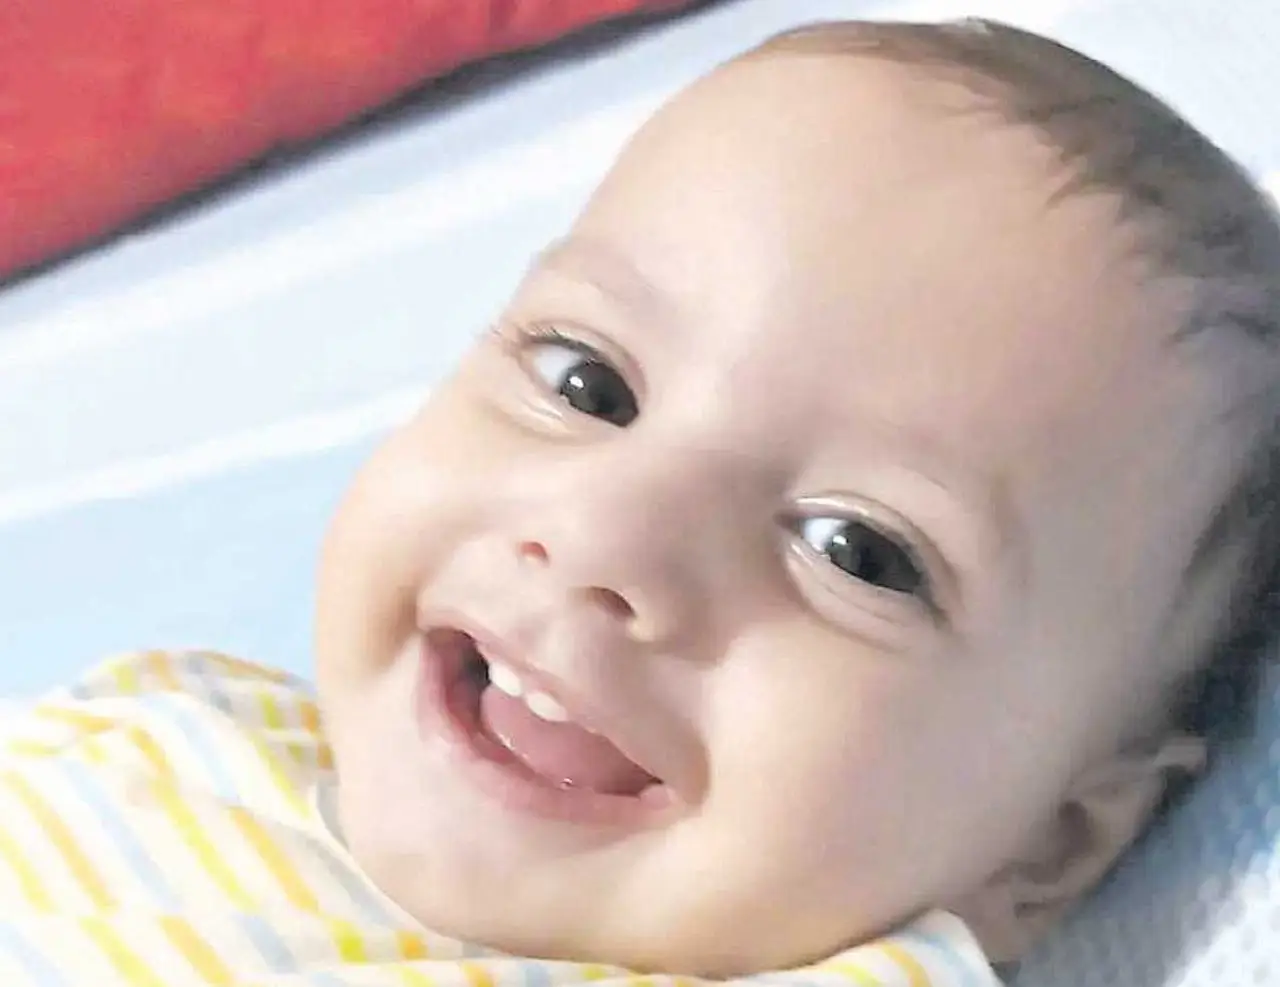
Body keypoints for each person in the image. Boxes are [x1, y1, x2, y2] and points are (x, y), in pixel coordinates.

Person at [3, 18, 1278, 987]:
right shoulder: (161, 734)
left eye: (856, 550)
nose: (604, 539)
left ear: (1048, 848)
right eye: (586, 383)